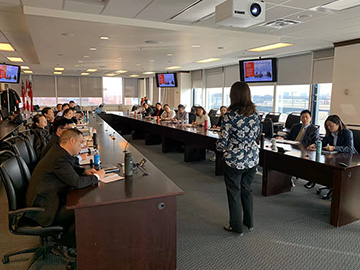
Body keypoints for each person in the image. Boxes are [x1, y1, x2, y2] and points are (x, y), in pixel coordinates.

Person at [26, 129, 105, 256]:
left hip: (45, 198)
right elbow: (77, 183)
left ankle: (65, 239)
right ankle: (64, 243)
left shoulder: (59, 151)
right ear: (71, 141)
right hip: (44, 209)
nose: (82, 145)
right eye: (80, 143)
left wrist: (84, 172)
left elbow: (71, 168)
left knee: (81, 201)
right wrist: (97, 177)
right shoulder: (59, 158)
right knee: (85, 208)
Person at [216, 81, 261, 235]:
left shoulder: (229, 116)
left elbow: (223, 140)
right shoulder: (255, 114)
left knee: (234, 192)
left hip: (235, 159)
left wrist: (220, 149)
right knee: (247, 190)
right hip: (252, 158)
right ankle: (249, 223)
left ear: (233, 95)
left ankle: (236, 227)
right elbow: (256, 135)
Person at [307, 115, 358, 199]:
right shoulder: (330, 133)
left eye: (331, 125)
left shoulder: (347, 133)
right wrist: (314, 145)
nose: (329, 127)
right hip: (335, 156)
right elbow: (323, 142)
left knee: (334, 169)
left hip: (349, 158)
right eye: (327, 125)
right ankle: (314, 179)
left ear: (338, 124)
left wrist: (334, 147)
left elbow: (349, 148)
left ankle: (332, 190)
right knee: (320, 163)